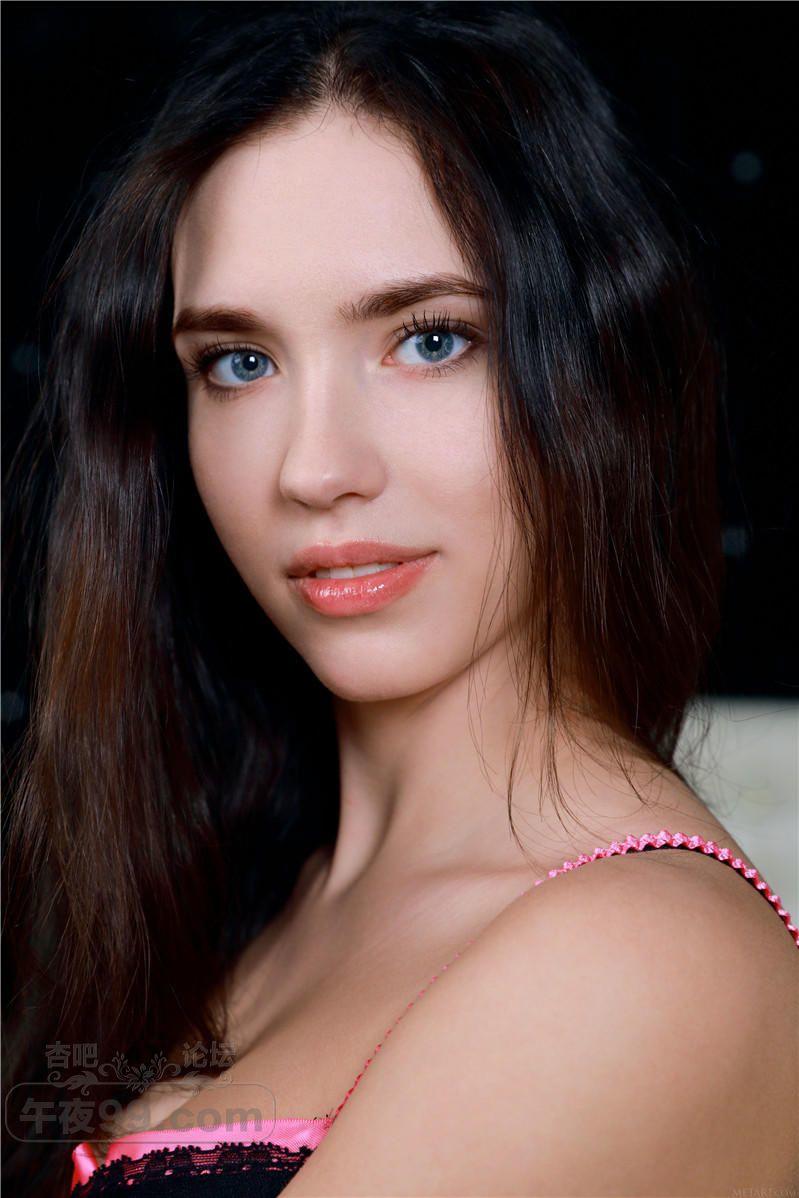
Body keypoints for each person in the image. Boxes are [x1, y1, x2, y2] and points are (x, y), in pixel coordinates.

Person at [4, 4, 797, 1195]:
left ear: (600, 370)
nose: (312, 467)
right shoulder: (244, 886)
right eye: (239, 362)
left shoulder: (639, 958)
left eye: (429, 340)